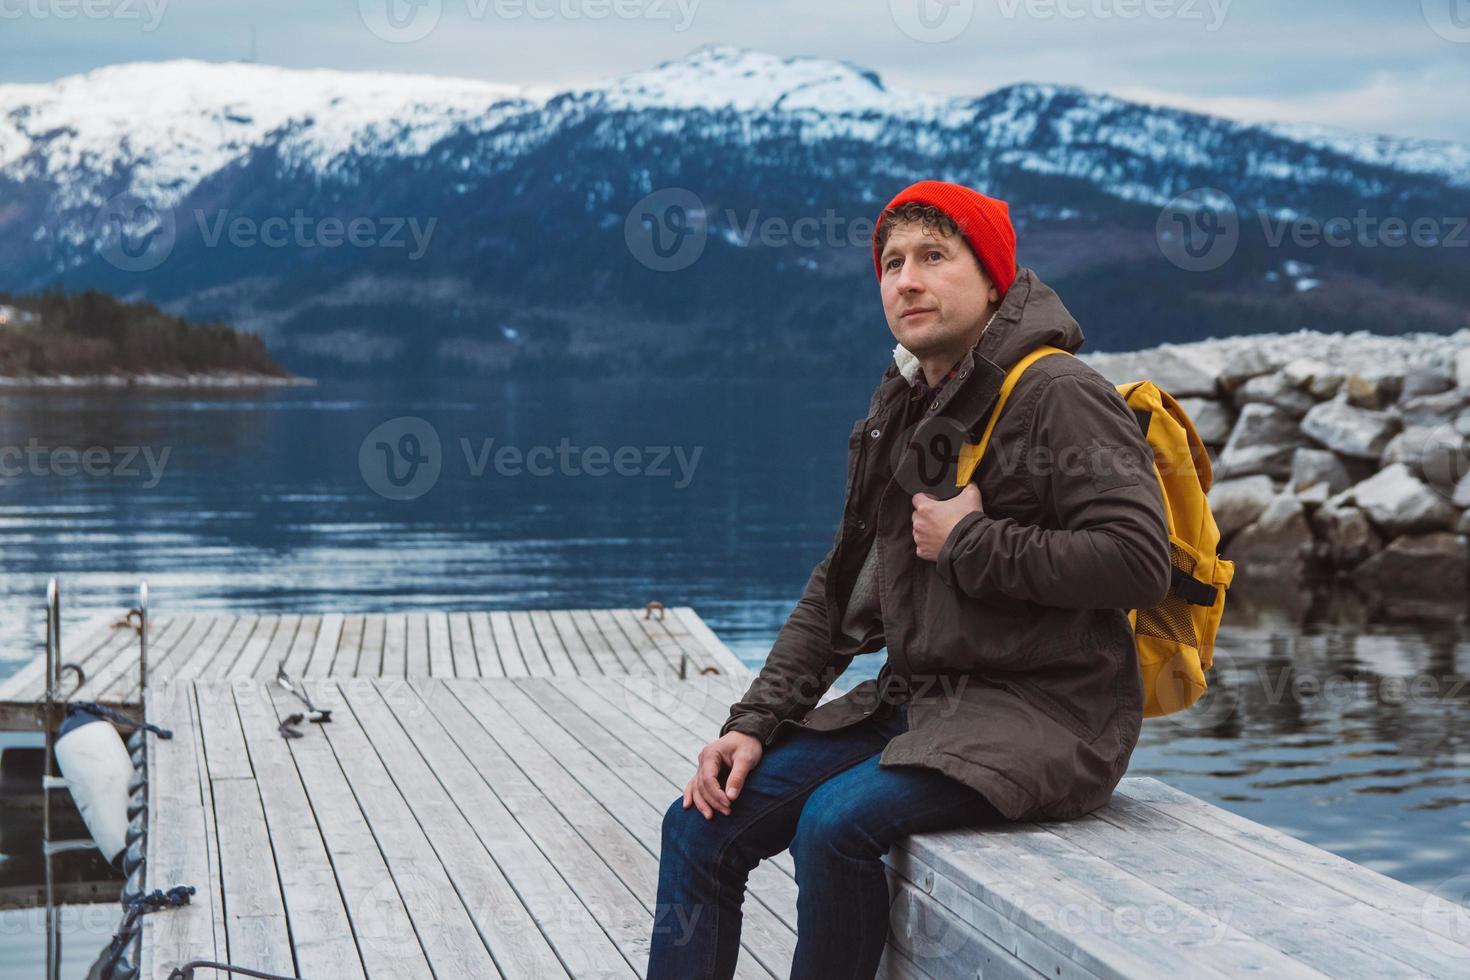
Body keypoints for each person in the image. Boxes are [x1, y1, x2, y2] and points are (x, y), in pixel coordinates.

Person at [647, 180, 1173, 979]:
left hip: (1049, 720)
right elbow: (842, 585)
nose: (907, 280)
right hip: (922, 706)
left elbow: (1140, 561)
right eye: (891, 264)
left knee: (833, 824)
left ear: (993, 277)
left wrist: (970, 541)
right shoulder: (910, 400)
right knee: (698, 823)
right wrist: (753, 722)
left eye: (934, 256)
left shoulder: (1059, 392)